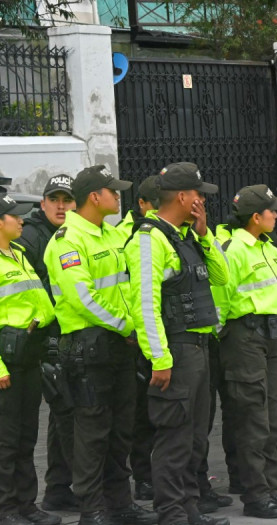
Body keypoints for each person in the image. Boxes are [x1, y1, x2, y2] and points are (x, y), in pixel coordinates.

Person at [44, 166, 157, 525]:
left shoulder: (109, 234)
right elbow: (82, 299)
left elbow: (127, 289)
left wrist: (133, 330)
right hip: (87, 351)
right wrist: (126, 326)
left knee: (121, 430)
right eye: (113, 191)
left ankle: (120, 504)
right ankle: (91, 510)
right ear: (95, 197)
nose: (118, 196)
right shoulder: (67, 241)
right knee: (92, 434)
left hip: (120, 347)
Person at [125, 162, 229, 525]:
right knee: (174, 436)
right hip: (176, 349)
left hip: (198, 346)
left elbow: (221, 276)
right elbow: (145, 304)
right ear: (183, 196)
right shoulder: (148, 238)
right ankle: (171, 513)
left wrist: (204, 234)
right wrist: (159, 358)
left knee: (195, 437)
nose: (202, 201)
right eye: (199, 195)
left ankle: (189, 508)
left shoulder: (185, 236)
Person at [0, 194, 61, 525]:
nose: (22, 220)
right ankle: (5, 511)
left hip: (27, 358)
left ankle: (27, 505)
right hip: (2, 367)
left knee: (25, 438)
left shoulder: (18, 254)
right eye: (14, 216)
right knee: (4, 443)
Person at [217, 186, 277, 518]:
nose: (276, 215)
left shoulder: (265, 246)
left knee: (270, 416)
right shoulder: (234, 248)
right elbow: (220, 300)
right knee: (253, 418)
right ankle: (255, 494)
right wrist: (227, 337)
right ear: (256, 217)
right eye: (272, 211)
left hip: (267, 338)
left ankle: (270, 488)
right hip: (245, 337)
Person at [18, 174, 78, 514]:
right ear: (42, 204)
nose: (60, 205)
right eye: (54, 199)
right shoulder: (31, 236)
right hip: (47, 342)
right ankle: (59, 487)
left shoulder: (69, 234)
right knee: (65, 415)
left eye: (66, 199)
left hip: (65, 338)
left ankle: (60, 487)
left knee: (64, 416)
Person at [120, 175, 161, 503]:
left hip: (162, 333)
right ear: (142, 204)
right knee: (141, 416)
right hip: (134, 337)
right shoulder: (126, 236)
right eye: (155, 202)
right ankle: (144, 478)